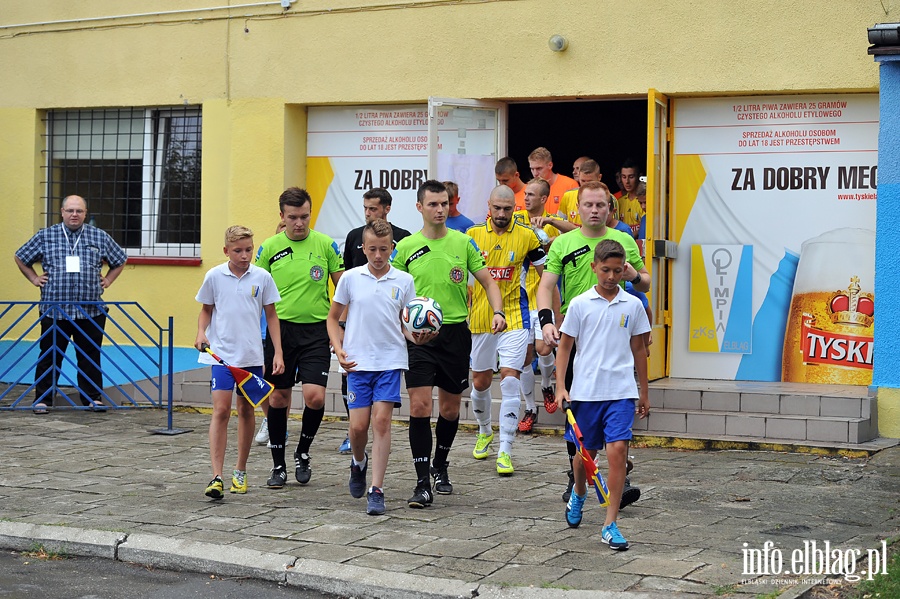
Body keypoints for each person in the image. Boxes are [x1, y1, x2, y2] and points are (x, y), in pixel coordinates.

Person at [392, 180, 506, 508]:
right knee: (419, 406)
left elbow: (487, 280)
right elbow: (394, 295)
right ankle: (421, 481)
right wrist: (403, 330)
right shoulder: (406, 247)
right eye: (433, 204)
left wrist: (497, 311)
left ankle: (440, 464)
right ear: (420, 208)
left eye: (444, 203)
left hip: (455, 333)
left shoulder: (463, 242)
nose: (440, 209)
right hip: (417, 338)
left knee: (451, 408)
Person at [537, 180, 649, 505]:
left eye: (601, 205)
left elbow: (647, 281)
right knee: (575, 409)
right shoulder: (563, 243)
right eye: (589, 205)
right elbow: (546, 286)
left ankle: (619, 475)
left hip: (617, 334)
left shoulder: (624, 240)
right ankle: (578, 476)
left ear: (610, 208)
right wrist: (547, 323)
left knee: (619, 400)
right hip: (577, 335)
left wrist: (633, 277)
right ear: (578, 208)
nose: (595, 210)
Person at [555, 239, 650, 551]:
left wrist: (643, 392)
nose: (611, 276)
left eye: (617, 270)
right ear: (594, 267)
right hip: (585, 392)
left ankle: (610, 524)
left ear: (625, 270)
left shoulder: (633, 305)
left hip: (620, 392)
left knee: (618, 451)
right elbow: (565, 346)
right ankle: (580, 493)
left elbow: (639, 349)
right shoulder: (580, 304)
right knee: (584, 457)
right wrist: (560, 385)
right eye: (605, 269)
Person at [327, 219, 417, 515]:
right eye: (372, 250)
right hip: (357, 363)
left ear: (392, 248)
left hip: (390, 362)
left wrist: (417, 335)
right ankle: (358, 462)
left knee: (381, 423)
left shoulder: (404, 281)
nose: (378, 256)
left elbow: (406, 324)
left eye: (384, 249)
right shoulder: (350, 278)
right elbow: (333, 318)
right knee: (357, 427)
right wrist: (339, 348)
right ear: (363, 248)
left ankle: (376, 489)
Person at [255, 187, 344, 489]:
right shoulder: (268, 248)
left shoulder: (326, 245)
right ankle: (278, 465)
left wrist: (340, 328)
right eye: (292, 217)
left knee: (315, 396)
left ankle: (302, 452)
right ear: (282, 216)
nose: (299, 223)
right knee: (279, 398)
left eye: (304, 216)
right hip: (280, 332)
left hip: (316, 331)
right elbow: (254, 292)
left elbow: (342, 289)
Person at [14, 195, 127, 413]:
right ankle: (43, 399)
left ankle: (93, 399)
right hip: (54, 310)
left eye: (79, 211)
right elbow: (20, 257)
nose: (74, 215)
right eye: (70, 211)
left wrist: (109, 279)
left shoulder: (99, 236)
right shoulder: (45, 236)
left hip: (90, 310)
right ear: (62, 212)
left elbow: (119, 260)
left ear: (85, 213)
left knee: (89, 357)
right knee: (50, 356)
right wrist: (34, 278)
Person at [195, 225, 284, 499]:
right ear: (226, 251)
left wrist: (277, 352)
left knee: (246, 411)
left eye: (249, 249)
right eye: (238, 251)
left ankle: (240, 470)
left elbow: (271, 316)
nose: (245, 255)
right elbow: (206, 310)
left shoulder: (263, 277)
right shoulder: (214, 276)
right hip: (222, 357)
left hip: (251, 357)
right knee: (220, 411)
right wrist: (201, 332)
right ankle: (216, 476)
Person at [466, 185, 546, 474]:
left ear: (516, 208)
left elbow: (545, 278)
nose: (502, 214)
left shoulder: (528, 236)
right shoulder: (471, 236)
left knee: (510, 379)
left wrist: (553, 316)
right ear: (489, 206)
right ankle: (485, 430)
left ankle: (505, 450)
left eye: (507, 208)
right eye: (497, 208)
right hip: (480, 319)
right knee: (480, 383)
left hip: (515, 316)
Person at [336, 188, 412, 454]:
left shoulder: (404, 239)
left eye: (373, 208)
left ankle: (375, 481)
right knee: (358, 421)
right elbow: (343, 288)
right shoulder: (353, 238)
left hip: (389, 347)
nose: (368, 213)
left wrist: (414, 332)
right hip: (357, 340)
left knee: (382, 420)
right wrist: (341, 330)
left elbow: (406, 307)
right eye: (365, 208)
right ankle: (355, 437)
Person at [515, 178, 561, 433]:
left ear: (544, 199)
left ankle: (545, 384)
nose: (527, 198)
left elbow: (571, 232)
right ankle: (530, 408)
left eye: (532, 195)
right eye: (525, 194)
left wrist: (548, 228)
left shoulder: (553, 223)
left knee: (544, 349)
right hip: (520, 299)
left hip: (543, 296)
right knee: (524, 356)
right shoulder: (516, 218)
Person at [255, 221, 288, 447]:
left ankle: (280, 428)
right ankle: (269, 418)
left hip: (286, 329)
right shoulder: (264, 270)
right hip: (260, 330)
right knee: (259, 381)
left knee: (281, 385)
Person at [527, 147, 578, 217]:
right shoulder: (529, 188)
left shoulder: (570, 185)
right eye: (532, 169)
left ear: (550, 165)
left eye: (539, 168)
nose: (535, 173)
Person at [617, 159, 645, 237]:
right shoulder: (619, 202)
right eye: (624, 177)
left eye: (631, 177)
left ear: (639, 177)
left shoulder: (644, 201)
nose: (627, 181)